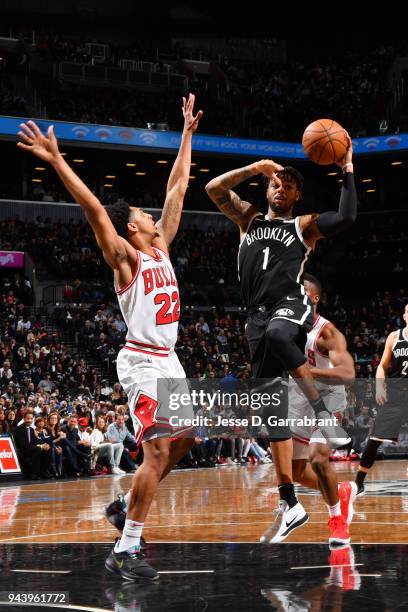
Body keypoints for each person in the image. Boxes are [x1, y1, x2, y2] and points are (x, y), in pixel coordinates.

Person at [18, 93, 202, 580]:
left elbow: (178, 187)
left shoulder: (161, 247)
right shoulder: (125, 258)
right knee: (158, 450)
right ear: (131, 227)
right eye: (143, 213)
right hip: (142, 361)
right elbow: (95, 208)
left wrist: (186, 134)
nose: (152, 216)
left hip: (171, 360)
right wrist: (58, 161)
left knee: (186, 442)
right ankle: (126, 548)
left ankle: (124, 504)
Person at [205, 139, 356, 542]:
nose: (280, 188)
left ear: (297, 195)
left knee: (277, 332)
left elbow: (345, 217)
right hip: (255, 316)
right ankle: (289, 501)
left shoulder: (302, 225)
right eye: (276, 183)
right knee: (272, 413)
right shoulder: (248, 221)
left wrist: (347, 167)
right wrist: (255, 167)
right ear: (267, 189)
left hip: (289, 305)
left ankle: (323, 416)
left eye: (289, 184)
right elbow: (213, 189)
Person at [265, 274, 357, 547]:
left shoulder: (327, 332)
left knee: (318, 459)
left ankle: (337, 521)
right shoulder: (285, 327)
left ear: (314, 298)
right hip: (299, 397)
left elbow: (348, 373)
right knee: (293, 471)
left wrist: (304, 371)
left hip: (328, 397)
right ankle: (339, 491)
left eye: (302, 291)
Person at [355, 303, 408, 495]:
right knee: (375, 439)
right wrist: (379, 386)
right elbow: (382, 366)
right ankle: (359, 482)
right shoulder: (395, 337)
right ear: (404, 315)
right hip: (395, 394)